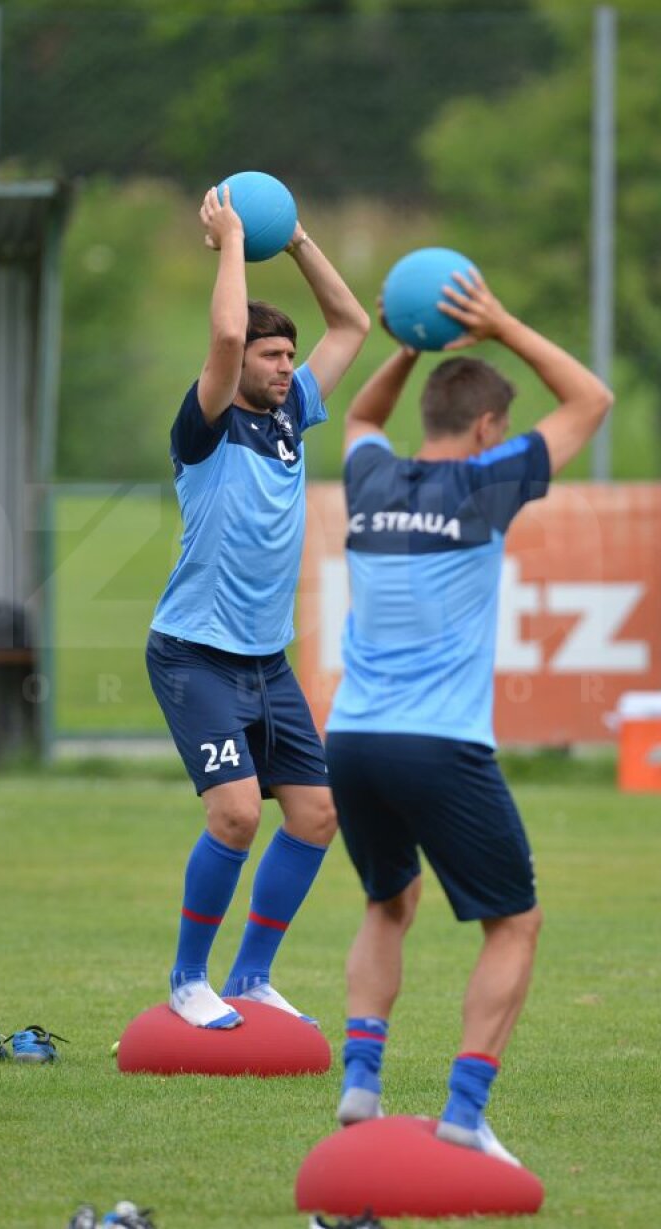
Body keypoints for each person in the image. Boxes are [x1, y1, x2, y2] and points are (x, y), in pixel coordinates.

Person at [325, 270, 612, 1162]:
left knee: (388, 899)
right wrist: (498, 323)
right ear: (487, 427)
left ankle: (361, 1081)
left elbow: (361, 419)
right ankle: (464, 1107)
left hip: (354, 739)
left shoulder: (374, 476)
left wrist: (407, 342)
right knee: (513, 923)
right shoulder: (489, 481)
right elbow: (591, 398)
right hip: (440, 745)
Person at [146, 186, 370, 1030]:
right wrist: (234, 240)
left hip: (264, 660)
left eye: (288, 357)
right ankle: (187, 978)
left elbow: (351, 326)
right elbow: (229, 332)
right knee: (237, 812)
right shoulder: (204, 426)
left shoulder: (291, 419)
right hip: (191, 653)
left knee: (317, 816)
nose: (283, 366)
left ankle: (250, 975)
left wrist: (300, 238)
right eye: (272, 357)